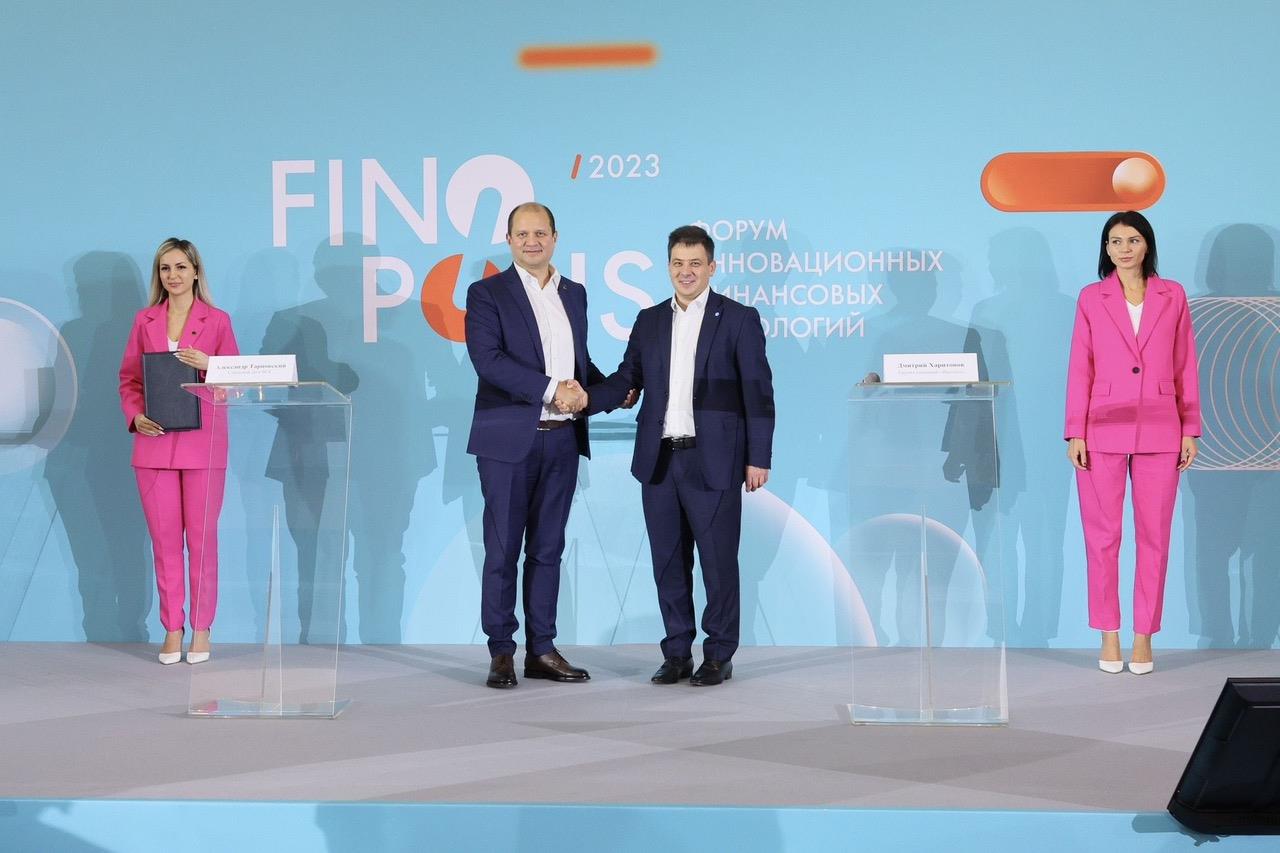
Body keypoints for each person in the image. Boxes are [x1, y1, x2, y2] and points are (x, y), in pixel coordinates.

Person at [582, 225, 775, 686]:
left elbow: (758, 392)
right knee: (668, 563)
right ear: (668, 267)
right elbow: (626, 378)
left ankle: (719, 654)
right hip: (659, 461)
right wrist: (585, 399)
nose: (685, 272)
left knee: (718, 564)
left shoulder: (739, 319)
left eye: (695, 264)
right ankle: (676, 653)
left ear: (711, 267)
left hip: (716, 460)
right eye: (677, 263)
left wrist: (758, 457)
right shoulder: (649, 320)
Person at [465, 202, 616, 688]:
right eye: (522, 234)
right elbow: (489, 361)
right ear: (509, 240)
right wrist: (554, 390)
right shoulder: (487, 293)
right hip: (508, 442)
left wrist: (611, 390)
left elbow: (578, 363)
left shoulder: (574, 293)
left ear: (555, 237)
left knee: (548, 550)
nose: (532, 241)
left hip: (562, 441)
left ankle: (542, 650)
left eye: (540, 233)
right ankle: (501, 651)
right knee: (502, 550)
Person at [1064, 211, 1200, 675]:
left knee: (1154, 537)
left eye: (1133, 240)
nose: (1123, 249)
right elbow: (1080, 366)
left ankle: (1144, 637)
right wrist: (1076, 430)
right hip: (1100, 426)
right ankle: (1109, 633)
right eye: (1115, 241)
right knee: (1102, 537)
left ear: (1147, 245)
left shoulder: (1172, 295)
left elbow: (1185, 364)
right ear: (1106, 248)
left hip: (1161, 427)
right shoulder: (1091, 297)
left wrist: (1190, 427)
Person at [118, 238, 240, 664]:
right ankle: (172, 628)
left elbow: (235, 382)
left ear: (196, 271)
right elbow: (129, 379)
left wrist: (209, 364)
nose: (173, 275)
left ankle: (202, 629)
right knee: (165, 542)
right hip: (153, 446)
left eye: (181, 267)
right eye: (165, 268)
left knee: (202, 541)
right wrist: (135, 416)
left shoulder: (217, 321)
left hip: (203, 445)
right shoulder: (144, 320)